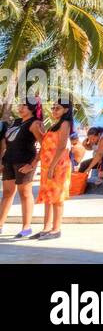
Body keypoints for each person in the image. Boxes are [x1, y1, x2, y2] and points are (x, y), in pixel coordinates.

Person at [0, 98, 43, 239]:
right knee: (7, 193)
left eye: (24, 105)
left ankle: (26, 227)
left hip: (24, 162)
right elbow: (6, 144)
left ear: (31, 108)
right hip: (9, 161)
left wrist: (32, 164)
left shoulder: (35, 123)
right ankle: (0, 225)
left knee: (25, 194)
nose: (20, 108)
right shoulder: (17, 122)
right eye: (20, 105)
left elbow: (45, 146)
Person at [36, 99, 73, 240]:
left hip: (58, 165)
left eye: (57, 108)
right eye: (53, 108)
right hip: (48, 166)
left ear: (66, 110)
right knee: (47, 196)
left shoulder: (65, 124)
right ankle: (46, 227)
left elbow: (62, 146)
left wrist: (52, 166)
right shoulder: (54, 125)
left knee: (57, 197)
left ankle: (56, 228)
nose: (54, 110)